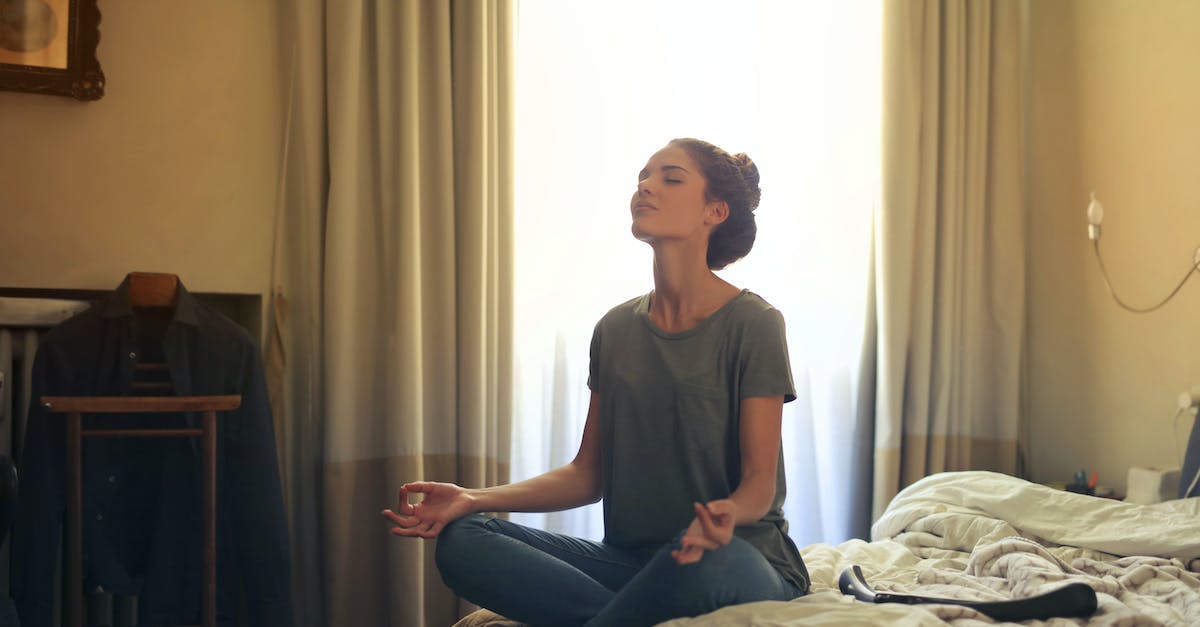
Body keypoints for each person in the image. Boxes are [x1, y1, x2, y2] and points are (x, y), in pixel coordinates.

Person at [382, 138, 808, 626]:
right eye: (643, 176)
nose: (646, 186)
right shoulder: (615, 329)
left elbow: (759, 484)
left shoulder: (754, 323)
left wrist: (728, 512)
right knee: (464, 539)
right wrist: (472, 498)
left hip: (734, 559)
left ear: (715, 211)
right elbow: (587, 475)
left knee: (713, 561)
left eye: (670, 178)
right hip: (631, 565)